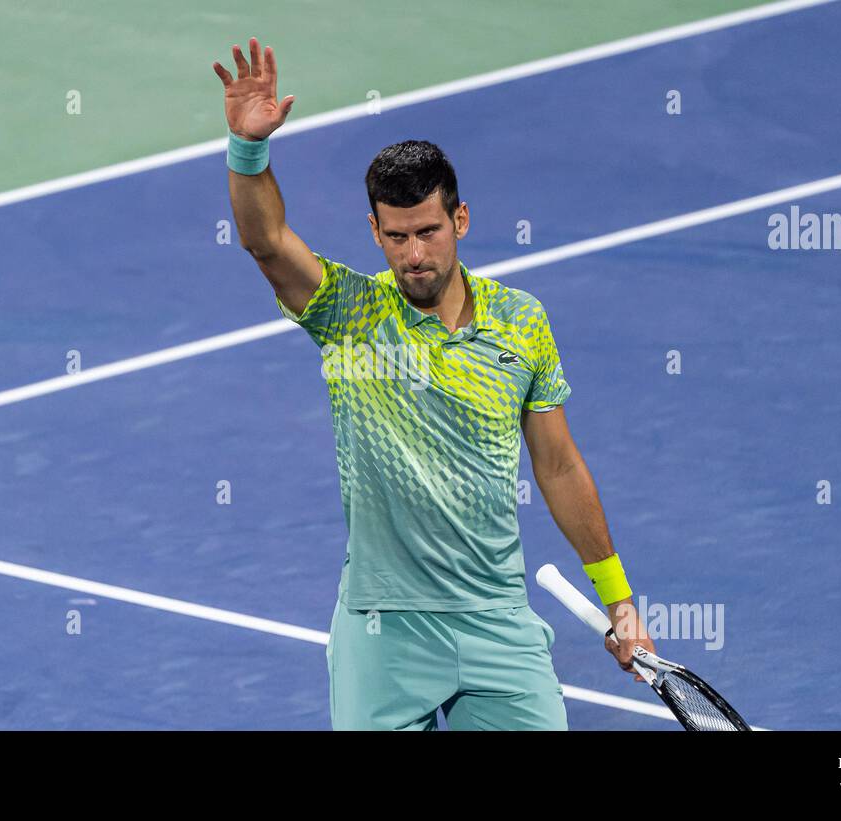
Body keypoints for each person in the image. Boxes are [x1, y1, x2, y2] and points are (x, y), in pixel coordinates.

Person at [214, 37, 655, 730]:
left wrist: (619, 597)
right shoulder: (348, 312)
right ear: (374, 230)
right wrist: (248, 150)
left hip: (496, 621)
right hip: (383, 629)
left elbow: (559, 465)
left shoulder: (521, 323)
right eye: (395, 237)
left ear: (461, 219)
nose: (414, 255)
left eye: (427, 231)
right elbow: (266, 241)